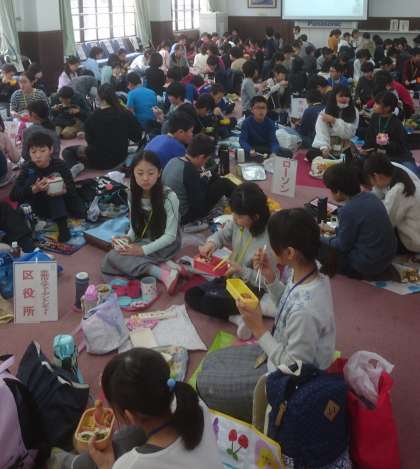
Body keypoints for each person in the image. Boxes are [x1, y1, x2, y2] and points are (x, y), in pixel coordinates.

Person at [197, 208, 336, 423]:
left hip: (291, 381)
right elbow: (287, 302)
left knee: (204, 385)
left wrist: (258, 329)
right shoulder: (308, 268)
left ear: (289, 253)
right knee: (210, 361)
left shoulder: (305, 312)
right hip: (280, 348)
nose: (268, 247)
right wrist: (270, 277)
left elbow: (295, 369)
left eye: (272, 243)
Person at [54, 348, 223, 469]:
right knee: (124, 438)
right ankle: (71, 462)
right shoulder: (195, 405)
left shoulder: (131, 464)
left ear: (129, 415)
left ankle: (69, 462)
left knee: (108, 449)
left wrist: (107, 466)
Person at [185, 183, 273, 339]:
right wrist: (211, 244)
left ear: (255, 217)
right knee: (192, 295)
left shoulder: (268, 240)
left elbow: (266, 280)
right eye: (234, 215)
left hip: (253, 286)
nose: (235, 219)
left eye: (239, 217)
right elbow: (222, 235)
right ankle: (238, 318)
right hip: (232, 278)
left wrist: (242, 270)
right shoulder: (239, 222)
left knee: (210, 302)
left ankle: (261, 306)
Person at [102, 151, 181, 293]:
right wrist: (127, 239)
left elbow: (170, 236)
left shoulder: (170, 197)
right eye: (140, 173)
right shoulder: (132, 194)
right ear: (133, 173)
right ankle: (162, 265)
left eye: (151, 173)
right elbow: (135, 227)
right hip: (143, 238)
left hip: (166, 243)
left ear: (159, 173)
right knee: (112, 256)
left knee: (118, 258)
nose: (145, 178)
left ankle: (162, 275)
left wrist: (142, 251)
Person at [321, 163, 397, 279]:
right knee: (332, 224)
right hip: (387, 257)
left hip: (366, 265)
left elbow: (342, 245)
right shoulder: (372, 197)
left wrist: (321, 236)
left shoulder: (348, 211)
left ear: (338, 192)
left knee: (320, 248)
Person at [10, 132, 85, 242]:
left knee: (54, 189)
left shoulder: (60, 165)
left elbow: (71, 189)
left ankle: (63, 228)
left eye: (42, 151)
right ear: (29, 153)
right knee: (28, 185)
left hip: (58, 206)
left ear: (51, 150)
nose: (38, 156)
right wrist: (34, 189)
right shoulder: (27, 168)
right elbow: (13, 195)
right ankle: (27, 230)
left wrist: (63, 190)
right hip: (37, 206)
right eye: (33, 152)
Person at [63, 84, 142, 175]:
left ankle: (74, 165)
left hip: (98, 162)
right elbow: (137, 137)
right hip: (120, 158)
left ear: (99, 97)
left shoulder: (92, 117)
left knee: (67, 151)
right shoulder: (125, 113)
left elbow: (90, 142)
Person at [162, 134, 235, 226]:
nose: (204, 164)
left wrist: (207, 177)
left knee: (211, 175)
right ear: (201, 157)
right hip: (184, 216)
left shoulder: (174, 160)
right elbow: (198, 205)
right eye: (206, 160)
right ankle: (243, 200)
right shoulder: (189, 170)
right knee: (223, 183)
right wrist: (206, 181)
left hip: (168, 210)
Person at [364, 154, 420, 254]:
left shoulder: (397, 191)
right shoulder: (396, 171)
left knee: (372, 236)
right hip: (415, 226)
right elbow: (377, 192)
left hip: (415, 240)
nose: (372, 184)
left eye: (370, 179)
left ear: (376, 176)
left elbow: (387, 223)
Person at [361, 91, 417, 174]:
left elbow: (401, 147)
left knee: (411, 172)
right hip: (379, 154)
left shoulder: (396, 123)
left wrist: (387, 144)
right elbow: (369, 136)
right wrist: (365, 149)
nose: (374, 105)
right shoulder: (375, 117)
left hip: (397, 156)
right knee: (359, 163)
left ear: (387, 108)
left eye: (377, 104)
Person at [310, 85, 359, 161]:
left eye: (347, 96)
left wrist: (334, 121)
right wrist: (324, 147)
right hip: (328, 145)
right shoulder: (325, 111)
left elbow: (350, 133)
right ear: (334, 97)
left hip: (345, 146)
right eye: (341, 96)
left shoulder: (354, 111)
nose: (344, 98)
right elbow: (321, 131)